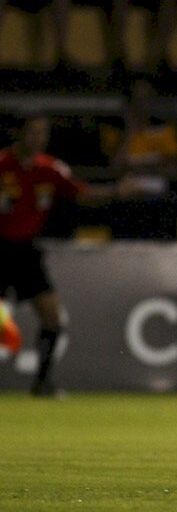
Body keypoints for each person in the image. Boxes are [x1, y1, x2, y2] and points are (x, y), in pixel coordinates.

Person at [0, 115, 129, 396]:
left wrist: (117, 191)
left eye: (43, 133)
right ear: (17, 133)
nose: (38, 138)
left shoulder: (50, 168)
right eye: (32, 131)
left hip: (26, 252)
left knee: (52, 318)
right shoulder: (2, 165)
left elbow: (82, 194)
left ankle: (42, 383)